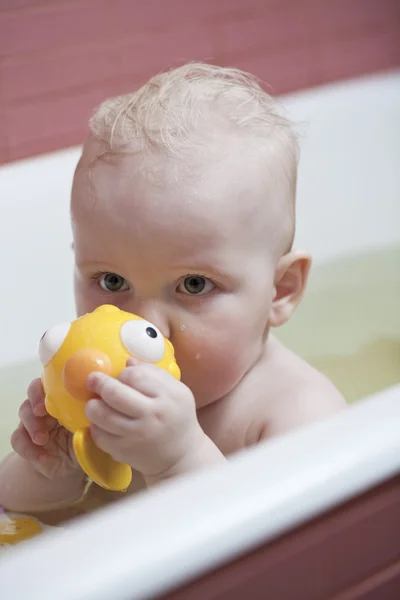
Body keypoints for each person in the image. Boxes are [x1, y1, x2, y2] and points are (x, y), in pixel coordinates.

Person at [0, 63, 346, 522]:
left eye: (194, 285)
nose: (142, 325)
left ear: (280, 291)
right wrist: (51, 470)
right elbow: (15, 508)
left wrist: (177, 460)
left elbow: (281, 565)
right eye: (111, 281)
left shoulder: (296, 416)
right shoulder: (96, 394)